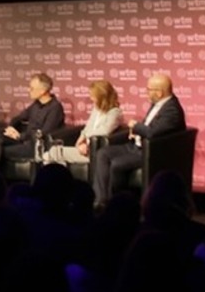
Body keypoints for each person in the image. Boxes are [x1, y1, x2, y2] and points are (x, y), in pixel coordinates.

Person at [92, 73, 186, 208]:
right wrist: (136, 133)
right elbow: (150, 126)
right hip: (136, 145)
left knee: (117, 163)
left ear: (159, 93)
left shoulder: (172, 110)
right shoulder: (158, 104)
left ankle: (118, 203)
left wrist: (135, 126)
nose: (146, 92)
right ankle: (101, 200)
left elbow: (153, 133)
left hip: (151, 152)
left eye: (149, 90)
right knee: (103, 153)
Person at [0, 72, 65, 170]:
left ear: (42, 91)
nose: (28, 90)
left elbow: (44, 133)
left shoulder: (55, 108)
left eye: (32, 88)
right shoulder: (36, 105)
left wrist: (20, 136)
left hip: (37, 146)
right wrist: (11, 128)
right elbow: (18, 118)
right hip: (24, 140)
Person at [42, 78, 122, 165]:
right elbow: (88, 127)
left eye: (93, 96)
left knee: (52, 154)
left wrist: (86, 140)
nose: (91, 98)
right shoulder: (96, 109)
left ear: (101, 97)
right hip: (84, 147)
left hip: (95, 151)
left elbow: (104, 131)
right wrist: (80, 140)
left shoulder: (115, 112)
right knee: (52, 155)